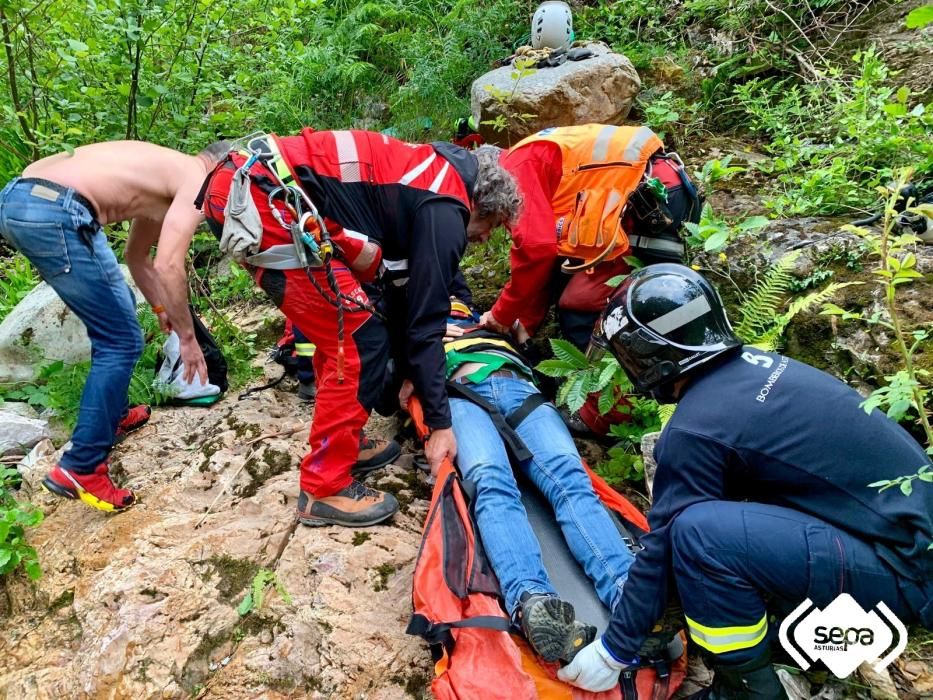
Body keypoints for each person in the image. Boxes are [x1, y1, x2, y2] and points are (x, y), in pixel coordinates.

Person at [558, 264, 933, 697]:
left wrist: (613, 651)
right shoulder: (759, 368)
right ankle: (787, 633)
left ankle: (745, 688)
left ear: (649, 355)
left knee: (698, 535)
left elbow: (665, 544)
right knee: (711, 528)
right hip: (902, 540)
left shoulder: (696, 428)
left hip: (905, 573)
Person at [198, 130, 520, 528]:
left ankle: (343, 443)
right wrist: (440, 425)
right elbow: (426, 322)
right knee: (357, 342)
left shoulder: (432, 177)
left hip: (254, 189)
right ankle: (323, 486)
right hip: (266, 201)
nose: (486, 237)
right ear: (482, 205)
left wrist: (407, 374)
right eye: (492, 226)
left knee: (345, 330)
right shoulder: (446, 206)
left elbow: (400, 296)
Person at [400, 298, 636, 662]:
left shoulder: (490, 319)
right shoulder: (414, 324)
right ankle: (532, 601)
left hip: (519, 387)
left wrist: (518, 336)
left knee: (570, 479)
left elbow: (533, 344)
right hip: (458, 394)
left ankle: (629, 592)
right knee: (490, 482)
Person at [0, 141, 225, 511]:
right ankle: (81, 466)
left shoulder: (167, 177)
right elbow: (169, 266)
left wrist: (159, 308)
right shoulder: (198, 178)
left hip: (27, 199)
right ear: (222, 166)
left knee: (117, 331)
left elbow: (137, 258)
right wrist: (187, 337)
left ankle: (112, 414)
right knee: (120, 342)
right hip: (56, 210)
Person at [471, 124, 700, 435]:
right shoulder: (530, 157)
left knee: (580, 305)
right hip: (658, 195)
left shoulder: (516, 169)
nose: (484, 236)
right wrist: (525, 321)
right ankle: (639, 403)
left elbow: (536, 249)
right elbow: (548, 260)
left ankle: (604, 414)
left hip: (647, 205)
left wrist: (502, 315)